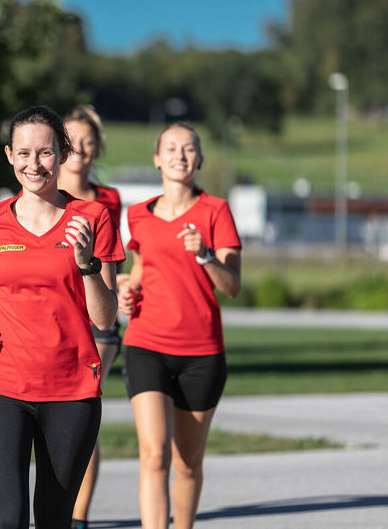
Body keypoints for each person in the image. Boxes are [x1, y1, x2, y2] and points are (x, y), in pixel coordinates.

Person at [0, 106, 124, 529]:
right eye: (24, 153)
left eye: (45, 153)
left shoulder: (93, 218)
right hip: (0, 386)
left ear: (63, 153)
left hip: (71, 392)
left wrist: (87, 263)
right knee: (9, 519)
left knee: (54, 520)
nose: (33, 164)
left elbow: (105, 319)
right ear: (9, 155)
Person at [118, 122, 241, 529]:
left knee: (187, 464)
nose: (180, 155)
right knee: (154, 456)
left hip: (201, 353)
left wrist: (206, 254)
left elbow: (233, 286)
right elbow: (140, 269)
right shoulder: (138, 215)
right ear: (156, 158)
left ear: (200, 159)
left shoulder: (215, 211)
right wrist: (125, 290)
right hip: (145, 343)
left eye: (189, 149)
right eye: (170, 148)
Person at [57, 105, 123, 529]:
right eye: (72, 140)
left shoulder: (109, 201)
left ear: (98, 147)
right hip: (52, 320)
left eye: (88, 140)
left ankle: (78, 517)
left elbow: (115, 261)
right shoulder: (42, 194)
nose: (81, 148)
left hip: (97, 325)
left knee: (83, 418)